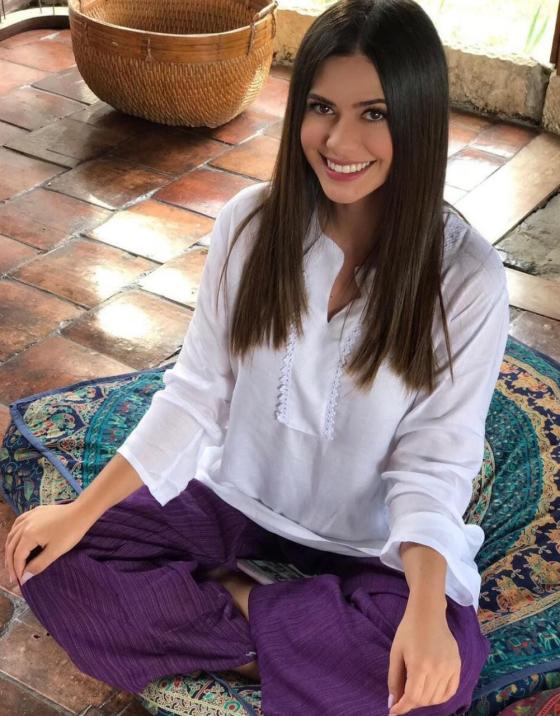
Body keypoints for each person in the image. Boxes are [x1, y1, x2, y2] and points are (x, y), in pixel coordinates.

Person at [5, 0, 509, 713]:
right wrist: (81, 512)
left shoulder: (466, 278)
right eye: (321, 108)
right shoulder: (249, 225)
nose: (340, 140)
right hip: (233, 504)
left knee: (445, 672)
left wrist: (425, 615)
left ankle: (238, 611)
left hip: (374, 548)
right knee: (54, 561)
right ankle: (297, 643)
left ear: (419, 120)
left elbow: (435, 462)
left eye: (375, 113)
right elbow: (196, 392)